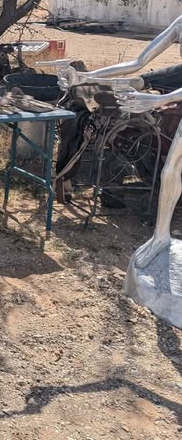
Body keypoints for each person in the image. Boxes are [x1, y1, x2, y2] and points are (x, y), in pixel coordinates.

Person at [56, 13, 182, 267]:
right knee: (170, 172)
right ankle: (161, 237)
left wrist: (158, 101)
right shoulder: (179, 24)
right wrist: (85, 78)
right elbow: (137, 62)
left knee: (172, 169)